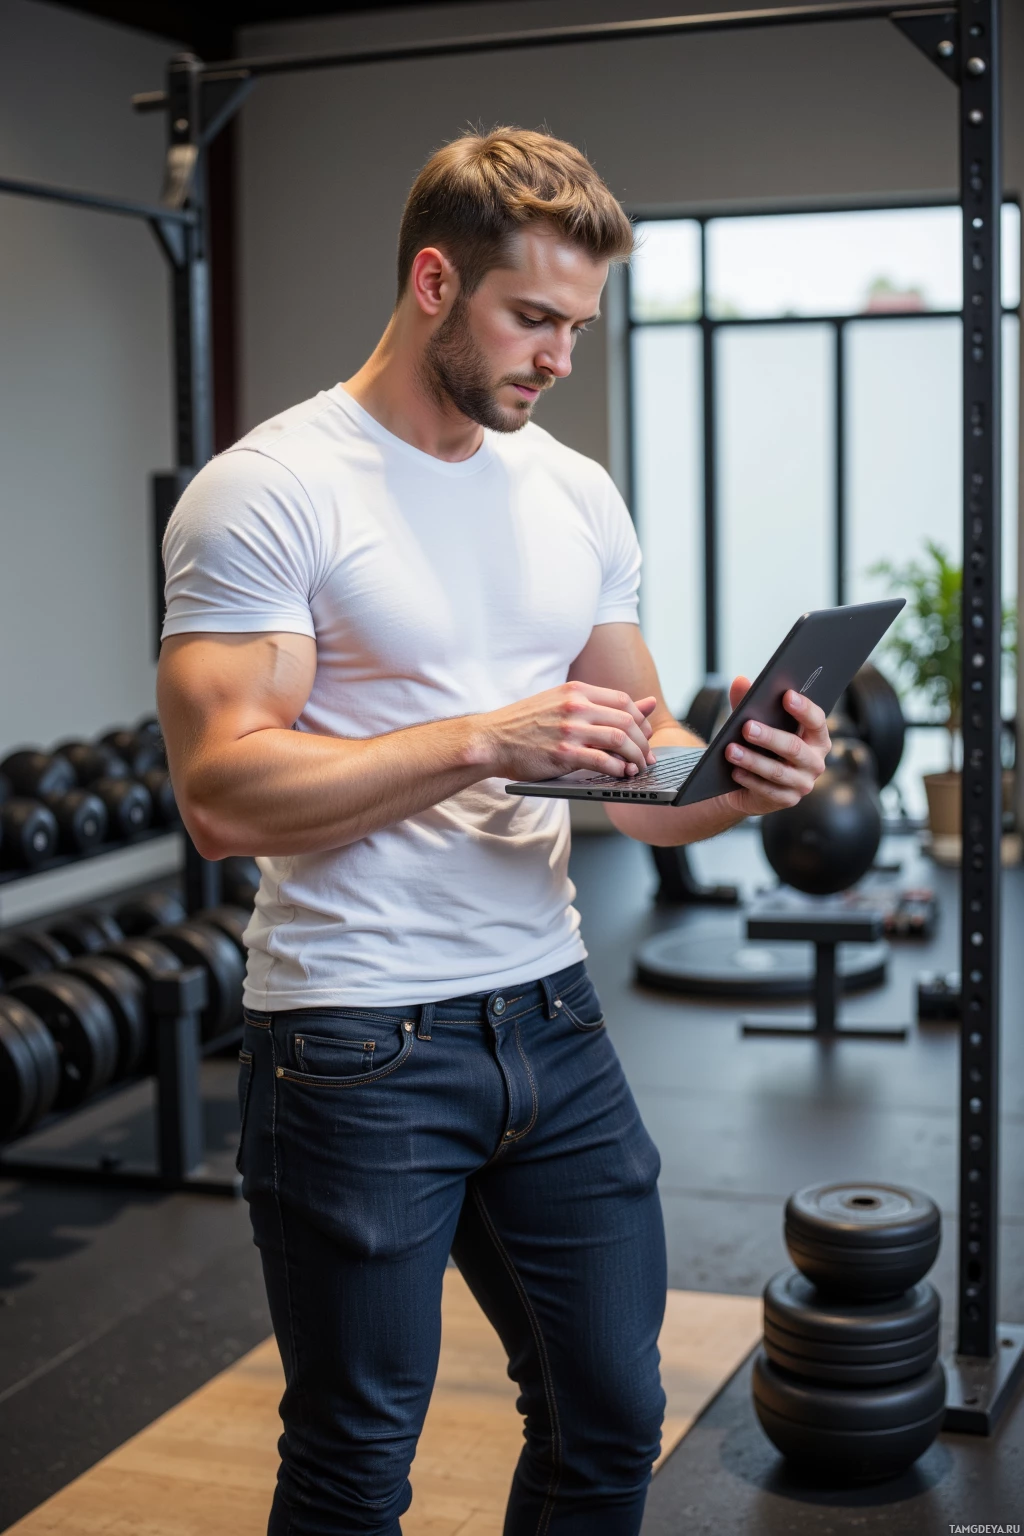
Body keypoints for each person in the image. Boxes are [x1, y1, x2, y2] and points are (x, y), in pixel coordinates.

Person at [158, 127, 830, 1536]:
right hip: (355, 1039)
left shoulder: (573, 492)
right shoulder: (271, 489)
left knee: (611, 1413)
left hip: (549, 1015)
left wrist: (744, 777)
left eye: (577, 327)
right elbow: (220, 796)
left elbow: (645, 784)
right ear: (430, 281)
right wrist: (484, 735)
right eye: (533, 318)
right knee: (355, 1459)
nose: (558, 358)